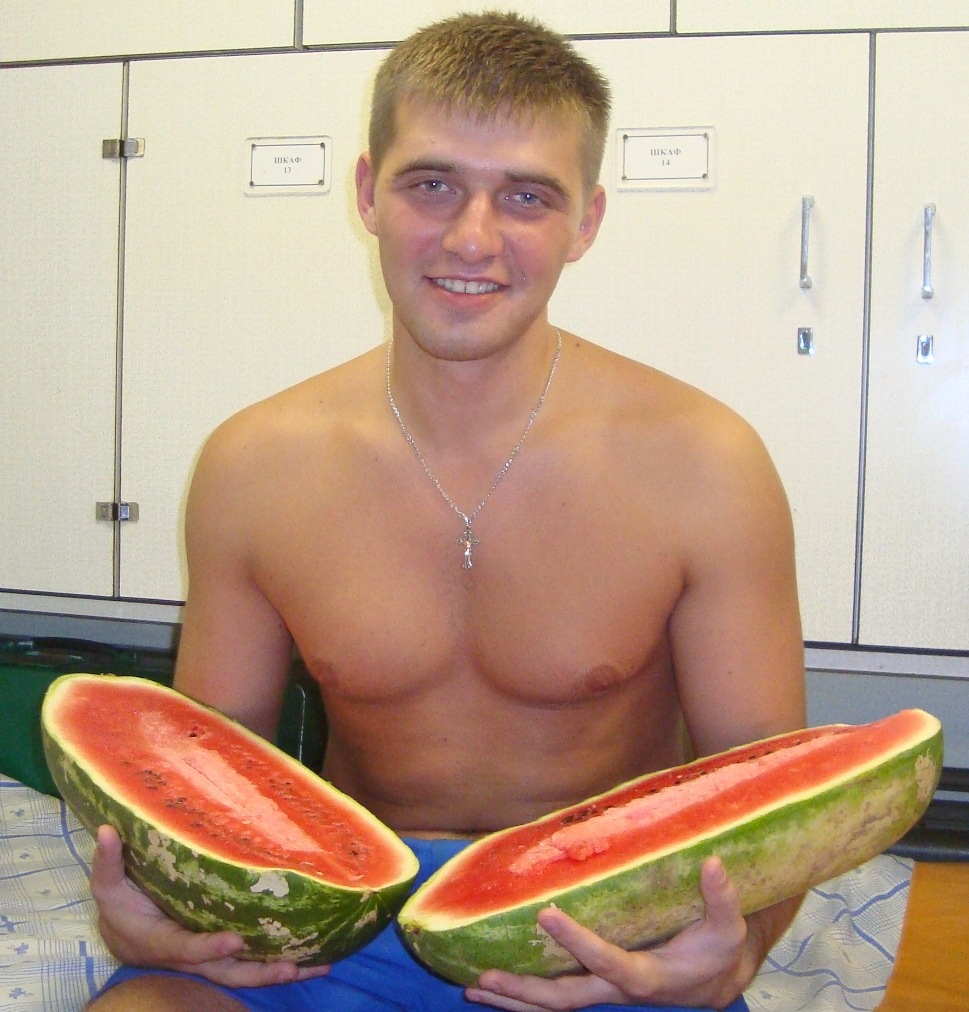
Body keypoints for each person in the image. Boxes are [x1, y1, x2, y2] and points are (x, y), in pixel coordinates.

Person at [88, 11, 805, 1012]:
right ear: (366, 192)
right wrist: (148, 916)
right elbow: (202, 773)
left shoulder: (706, 464)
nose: (473, 238)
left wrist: (735, 953)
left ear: (587, 222)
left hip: (603, 935)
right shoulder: (253, 466)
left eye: (527, 196)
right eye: (431, 184)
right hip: (334, 925)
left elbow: (774, 794)